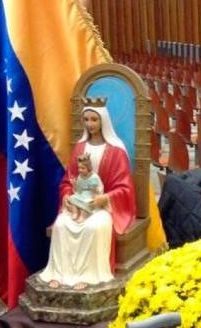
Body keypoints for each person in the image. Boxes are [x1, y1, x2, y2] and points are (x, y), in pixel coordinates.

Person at [38, 105, 137, 290]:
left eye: (94, 119)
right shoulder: (80, 148)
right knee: (61, 225)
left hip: (102, 207)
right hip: (79, 204)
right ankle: (60, 273)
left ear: (103, 121)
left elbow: (125, 188)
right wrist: (67, 195)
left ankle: (88, 275)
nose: (90, 124)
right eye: (86, 120)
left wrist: (104, 198)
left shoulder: (116, 151)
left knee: (93, 227)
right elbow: (68, 180)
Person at [67, 153, 103, 223]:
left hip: (90, 195)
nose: (80, 170)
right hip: (82, 195)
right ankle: (75, 212)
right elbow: (79, 190)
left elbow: (98, 188)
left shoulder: (94, 177)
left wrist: (96, 190)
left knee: (87, 203)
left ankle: (83, 216)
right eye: (79, 168)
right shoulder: (80, 177)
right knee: (72, 198)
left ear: (88, 168)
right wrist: (74, 184)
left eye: (83, 168)